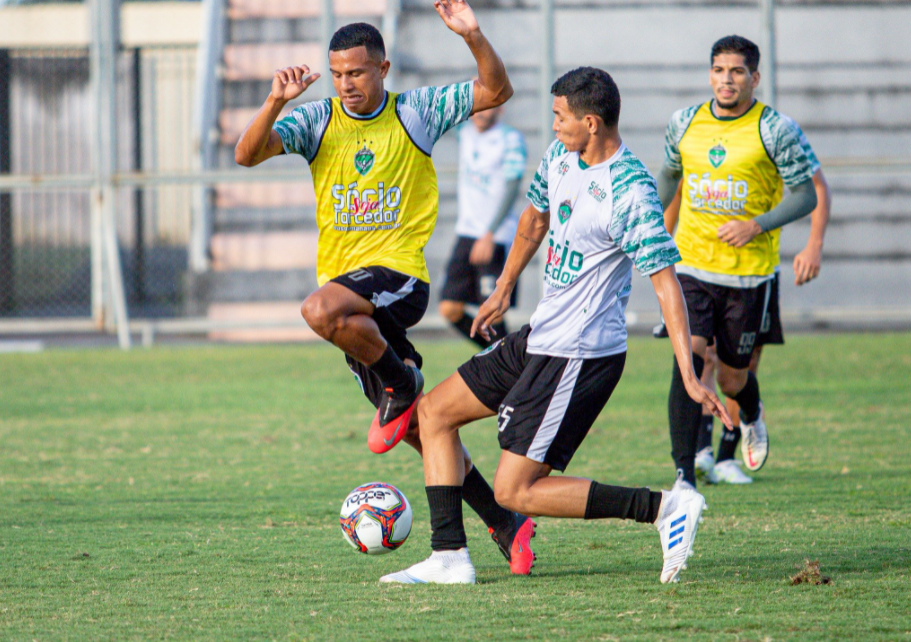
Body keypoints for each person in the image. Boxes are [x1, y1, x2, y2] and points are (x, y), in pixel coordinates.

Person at [379, 67, 731, 586]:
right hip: (541, 333)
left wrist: (691, 372)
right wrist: (502, 288)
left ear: (591, 122)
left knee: (514, 491)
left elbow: (665, 285)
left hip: (580, 353)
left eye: (560, 116)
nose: (554, 125)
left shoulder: (630, 191)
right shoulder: (561, 157)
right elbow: (533, 220)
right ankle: (449, 556)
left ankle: (663, 508)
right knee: (432, 414)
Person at [234, 5, 536, 574]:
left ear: (383, 68)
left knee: (318, 308)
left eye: (357, 72)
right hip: (352, 303)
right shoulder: (318, 119)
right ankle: (503, 522)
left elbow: (496, 90)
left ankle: (401, 381)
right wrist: (277, 100)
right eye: (338, 73)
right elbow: (245, 154)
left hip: (398, 278)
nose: (346, 84)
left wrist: (472, 35)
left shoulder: (415, 112)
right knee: (424, 430)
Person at [657, 35, 818, 488]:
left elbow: (805, 195)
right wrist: (648, 222)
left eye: (736, 71)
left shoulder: (774, 129)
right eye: (718, 70)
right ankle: (684, 474)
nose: (726, 80)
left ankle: (750, 411)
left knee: (731, 379)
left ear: (754, 77)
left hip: (748, 276)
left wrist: (757, 225)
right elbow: (668, 176)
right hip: (690, 265)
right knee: (687, 360)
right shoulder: (685, 123)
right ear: (709, 74)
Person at [439, 107, 526, 347]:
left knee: (493, 312)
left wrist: (489, 234)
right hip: (466, 233)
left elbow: (512, 186)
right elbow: (446, 109)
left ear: (500, 107)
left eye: (486, 107)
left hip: (495, 236)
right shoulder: (466, 132)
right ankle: (502, 360)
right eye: (477, 107)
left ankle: (508, 367)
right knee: (449, 308)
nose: (479, 113)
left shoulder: (510, 139)